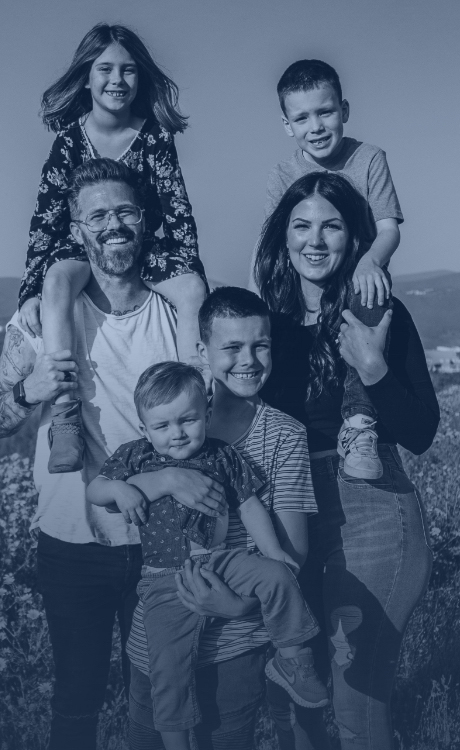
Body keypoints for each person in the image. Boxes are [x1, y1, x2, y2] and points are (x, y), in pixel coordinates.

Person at [0, 158, 217, 750]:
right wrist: (27, 392)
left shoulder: (176, 314)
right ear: (77, 227)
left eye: (124, 211)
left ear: (143, 221)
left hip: (164, 542)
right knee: (76, 702)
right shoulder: (41, 320)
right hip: (73, 540)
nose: (113, 224)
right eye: (97, 214)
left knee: (162, 701)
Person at [253, 171, 439, 749]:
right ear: (282, 239)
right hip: (287, 508)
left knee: (356, 696)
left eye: (331, 226)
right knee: (294, 694)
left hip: (373, 508)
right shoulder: (267, 326)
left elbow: (420, 431)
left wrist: (373, 368)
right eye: (301, 226)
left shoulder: (380, 313)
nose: (315, 240)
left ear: (354, 238)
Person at [87, 360, 327, 749]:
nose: (177, 434)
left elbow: (249, 505)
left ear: (207, 414)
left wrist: (272, 552)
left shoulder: (223, 456)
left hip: (221, 561)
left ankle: (293, 658)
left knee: (280, 576)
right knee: (167, 666)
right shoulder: (136, 458)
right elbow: (95, 490)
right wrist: (120, 490)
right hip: (165, 578)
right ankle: (176, 741)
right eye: (162, 426)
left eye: (188, 420)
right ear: (144, 429)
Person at [17, 23, 207, 474]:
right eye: (105, 69)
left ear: (140, 78)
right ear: (86, 76)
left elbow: (178, 210)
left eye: (128, 70)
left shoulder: (156, 136)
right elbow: (45, 219)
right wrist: (30, 289)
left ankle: (197, 397)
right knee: (57, 280)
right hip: (83, 249)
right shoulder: (68, 140)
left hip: (149, 247)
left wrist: (189, 271)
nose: (117, 80)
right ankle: (65, 416)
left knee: (194, 291)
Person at [251, 59, 404, 481]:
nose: (315, 126)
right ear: (287, 125)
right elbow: (268, 243)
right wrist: (252, 300)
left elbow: (388, 229)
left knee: (369, 297)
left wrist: (371, 259)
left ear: (345, 110)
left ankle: (359, 424)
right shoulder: (283, 173)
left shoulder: (369, 158)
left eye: (325, 112)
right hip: (302, 288)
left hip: (358, 282)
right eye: (302, 117)